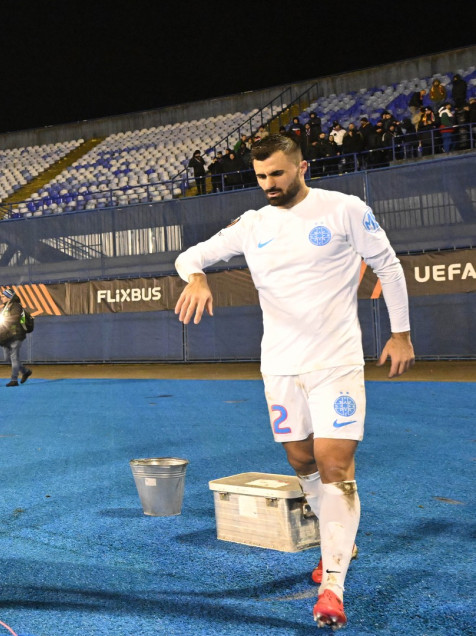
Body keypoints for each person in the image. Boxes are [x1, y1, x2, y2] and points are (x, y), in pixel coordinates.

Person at [173, 134, 414, 630]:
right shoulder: (253, 224)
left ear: (302, 166)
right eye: (261, 176)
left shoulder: (344, 209)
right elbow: (189, 256)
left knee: (334, 463)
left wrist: (401, 334)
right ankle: (338, 536)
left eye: (277, 174)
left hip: (336, 362)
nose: (268, 184)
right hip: (280, 366)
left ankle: (333, 584)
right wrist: (196, 276)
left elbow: (388, 265)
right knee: (300, 459)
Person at [0, 288, 33, 387]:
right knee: (7, 358)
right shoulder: (5, 308)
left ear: (9, 297)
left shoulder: (16, 306)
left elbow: (15, 318)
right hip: (6, 336)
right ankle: (25, 371)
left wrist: (5, 321)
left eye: (3, 296)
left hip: (16, 335)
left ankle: (14, 380)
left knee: (14, 357)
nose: (1, 298)